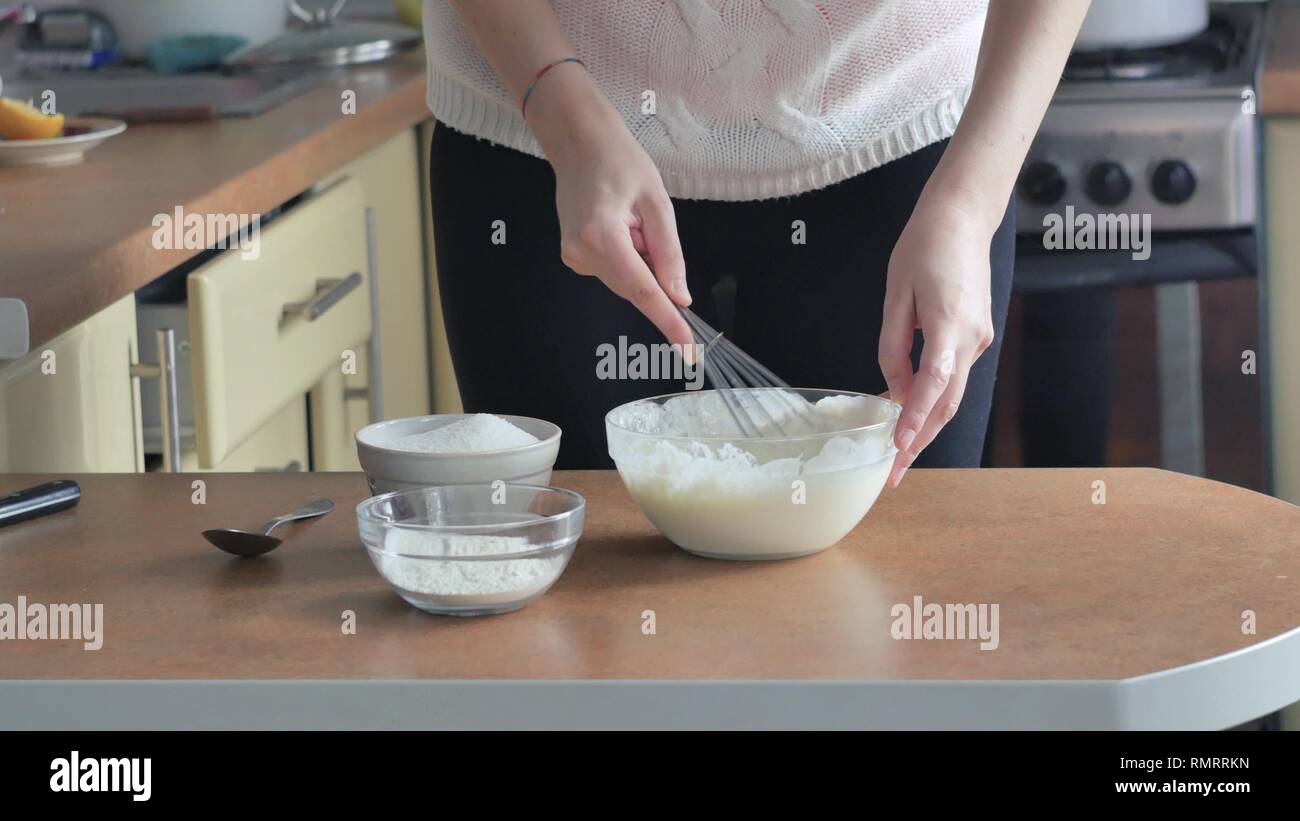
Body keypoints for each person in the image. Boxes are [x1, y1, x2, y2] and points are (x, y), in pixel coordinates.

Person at [422, 0, 1090, 481]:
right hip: (542, 132)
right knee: (584, 624)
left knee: (890, 606)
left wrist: (971, 204)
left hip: (897, 142)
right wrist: (564, 117)